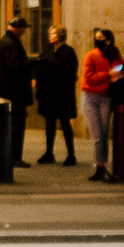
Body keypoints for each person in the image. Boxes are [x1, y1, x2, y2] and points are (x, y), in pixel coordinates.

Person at [80, 28, 124, 182]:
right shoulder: (91, 55)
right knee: (97, 135)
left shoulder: (115, 56)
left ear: (109, 39)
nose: (99, 40)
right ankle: (100, 166)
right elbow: (88, 78)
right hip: (91, 97)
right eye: (97, 38)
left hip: (107, 97)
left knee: (103, 133)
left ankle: (103, 166)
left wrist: (120, 75)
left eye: (102, 38)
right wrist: (109, 75)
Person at [33, 25, 81, 167]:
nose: (50, 35)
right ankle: (49, 152)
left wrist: (51, 64)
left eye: (53, 33)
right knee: (50, 124)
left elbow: (69, 71)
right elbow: (41, 67)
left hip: (62, 93)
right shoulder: (48, 50)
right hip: (49, 93)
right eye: (50, 33)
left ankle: (71, 154)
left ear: (60, 35)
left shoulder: (68, 52)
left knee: (65, 123)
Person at [0, 16, 34, 167]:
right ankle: (15, 157)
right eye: (23, 29)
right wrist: (30, 63)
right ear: (18, 29)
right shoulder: (12, 44)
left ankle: (11, 156)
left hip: (7, 91)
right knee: (17, 125)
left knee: (12, 125)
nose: (23, 33)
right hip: (14, 93)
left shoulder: (6, 41)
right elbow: (15, 66)